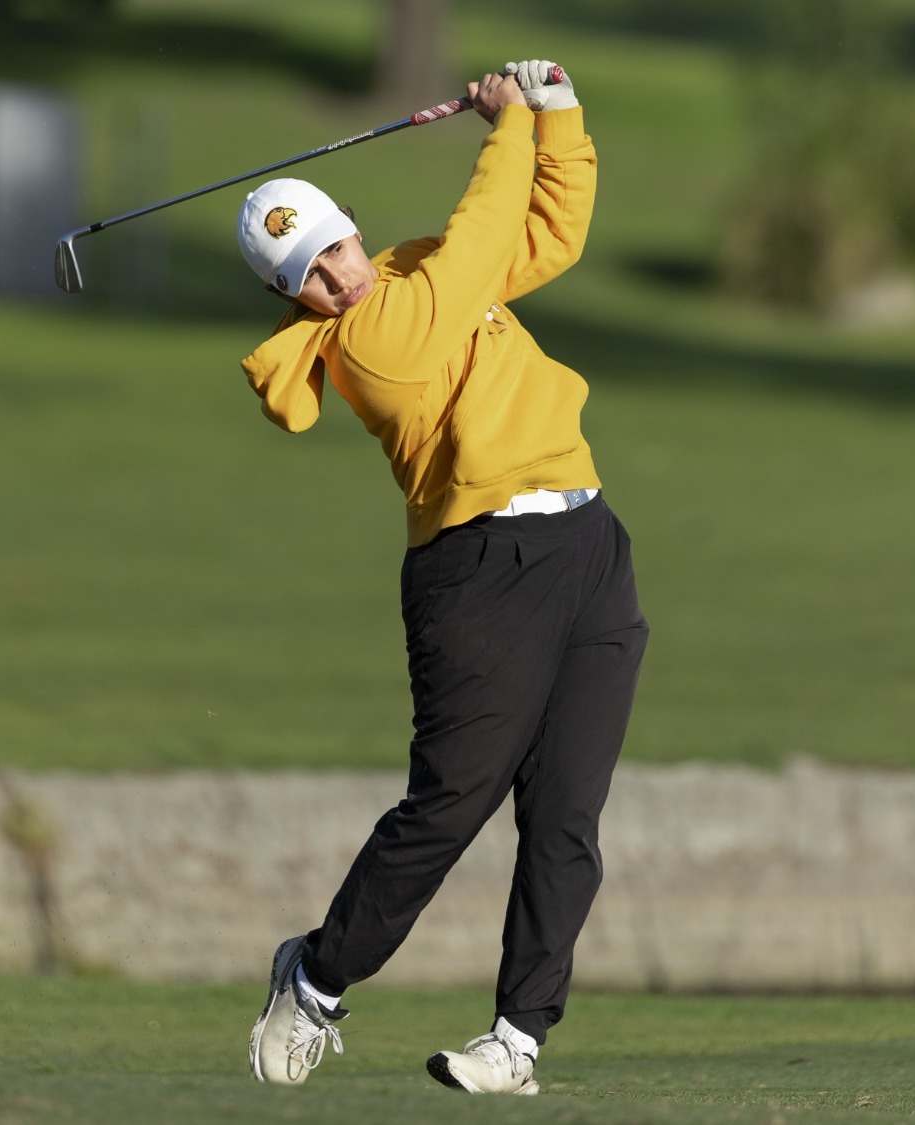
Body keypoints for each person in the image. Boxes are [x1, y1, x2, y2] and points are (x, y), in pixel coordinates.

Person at [239, 60, 647, 1097]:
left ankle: (517, 1038)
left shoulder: (411, 270)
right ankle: (317, 978)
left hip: (586, 546)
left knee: (564, 818)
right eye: (308, 279)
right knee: (450, 805)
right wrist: (501, 127)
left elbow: (547, 235)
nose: (335, 277)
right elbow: (473, 254)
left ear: (346, 228)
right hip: (479, 573)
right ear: (295, 302)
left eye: (332, 250)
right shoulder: (365, 341)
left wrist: (554, 114)